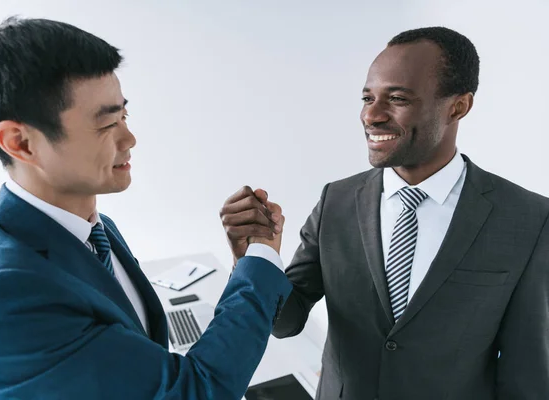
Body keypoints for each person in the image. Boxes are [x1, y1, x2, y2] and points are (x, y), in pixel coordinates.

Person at [0, 17, 290, 400]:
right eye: (107, 123)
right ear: (21, 143)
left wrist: (244, 263)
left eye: (124, 115)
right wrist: (261, 257)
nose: (130, 137)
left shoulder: (97, 229)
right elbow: (190, 392)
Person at [221, 27, 549, 399]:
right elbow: (286, 321)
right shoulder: (337, 201)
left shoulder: (527, 218)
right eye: (367, 97)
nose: (371, 115)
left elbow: (528, 374)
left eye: (397, 98)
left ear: (458, 106)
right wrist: (254, 258)